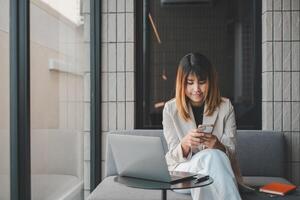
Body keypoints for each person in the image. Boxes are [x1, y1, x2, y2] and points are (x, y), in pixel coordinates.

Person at [162, 53, 242, 200]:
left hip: (213, 174)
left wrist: (218, 145)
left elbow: (232, 153)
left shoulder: (225, 107)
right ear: (182, 83)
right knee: (211, 157)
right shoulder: (170, 109)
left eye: (202, 82)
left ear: (210, 81)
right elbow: (172, 159)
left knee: (212, 157)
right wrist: (185, 144)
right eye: (190, 82)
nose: (196, 88)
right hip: (183, 174)